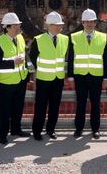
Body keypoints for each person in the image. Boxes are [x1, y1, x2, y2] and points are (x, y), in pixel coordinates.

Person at [67, 9, 107, 139]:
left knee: (95, 104)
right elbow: (71, 59)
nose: (89, 24)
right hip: (80, 77)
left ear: (95, 23)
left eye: (92, 22)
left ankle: (95, 129)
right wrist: (70, 77)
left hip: (97, 77)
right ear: (82, 23)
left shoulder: (102, 37)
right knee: (80, 103)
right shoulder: (74, 37)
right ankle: (78, 128)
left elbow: (105, 60)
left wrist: (106, 77)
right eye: (87, 22)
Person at [30, 11, 69, 141]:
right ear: (48, 26)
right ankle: (37, 131)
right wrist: (42, 69)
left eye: (60, 25)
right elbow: (33, 57)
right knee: (40, 106)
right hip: (43, 79)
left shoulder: (65, 39)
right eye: (56, 25)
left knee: (54, 107)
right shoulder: (39, 40)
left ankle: (51, 130)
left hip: (58, 79)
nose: (59, 27)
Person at [0, 12, 30, 144]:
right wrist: (13, 63)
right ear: (7, 27)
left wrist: (26, 75)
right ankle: (2, 134)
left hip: (20, 80)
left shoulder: (20, 38)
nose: (18, 28)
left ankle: (16, 129)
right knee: (4, 110)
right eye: (15, 26)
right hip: (5, 83)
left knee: (18, 107)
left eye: (18, 25)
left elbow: (23, 56)